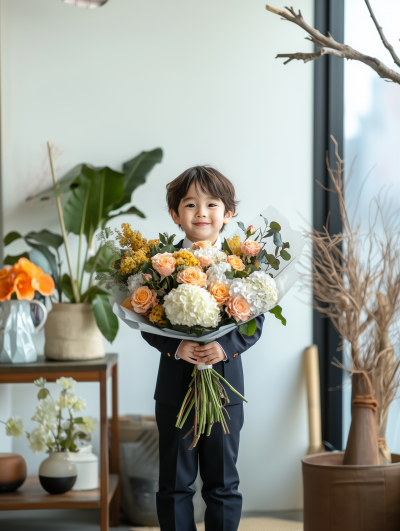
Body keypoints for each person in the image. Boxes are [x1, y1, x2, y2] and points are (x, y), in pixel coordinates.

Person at [141, 165, 265, 531]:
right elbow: (146, 319)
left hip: (224, 389)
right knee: (175, 484)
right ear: (175, 214)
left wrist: (225, 348)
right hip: (175, 390)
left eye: (212, 204)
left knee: (223, 483)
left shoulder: (242, 265)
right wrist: (176, 346)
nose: (201, 213)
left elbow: (256, 321)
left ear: (227, 214)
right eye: (190, 204)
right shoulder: (160, 266)